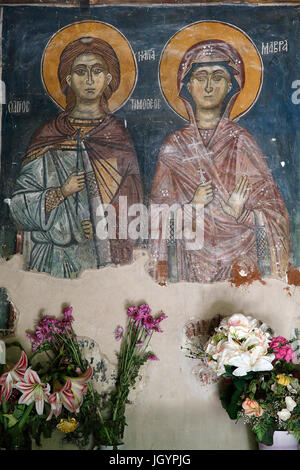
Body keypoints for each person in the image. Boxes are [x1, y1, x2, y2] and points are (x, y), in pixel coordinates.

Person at [149, 39, 289, 284]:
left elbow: (275, 216)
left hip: (240, 267)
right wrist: (192, 207)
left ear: (229, 87)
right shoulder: (175, 145)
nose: (209, 86)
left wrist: (243, 215)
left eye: (218, 77)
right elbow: (156, 218)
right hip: (187, 268)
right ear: (188, 86)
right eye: (201, 77)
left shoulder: (242, 142)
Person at [10, 37, 143, 278]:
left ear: (108, 79)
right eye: (81, 72)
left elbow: (132, 205)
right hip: (50, 259)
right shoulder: (48, 135)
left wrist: (102, 227)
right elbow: (19, 206)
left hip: (101, 257)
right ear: (68, 80)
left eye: (97, 71)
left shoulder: (118, 138)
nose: (90, 80)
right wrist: (60, 192)